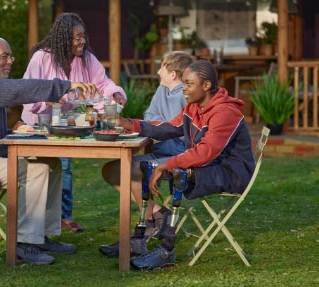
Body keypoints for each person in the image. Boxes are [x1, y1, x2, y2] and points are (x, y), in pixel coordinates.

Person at [0, 35, 96, 265]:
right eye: (4, 57)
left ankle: (40, 236)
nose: (10, 61)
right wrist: (65, 86)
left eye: (11, 56)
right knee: (36, 169)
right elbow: (19, 89)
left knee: (52, 163)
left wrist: (11, 130)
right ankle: (24, 243)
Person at [113, 60, 255, 270]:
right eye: (184, 84)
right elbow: (168, 127)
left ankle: (166, 250)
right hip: (210, 166)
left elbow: (206, 152)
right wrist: (131, 124)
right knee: (137, 165)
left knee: (179, 172)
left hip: (230, 173)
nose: (184, 89)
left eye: (189, 84)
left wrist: (166, 165)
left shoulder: (225, 112)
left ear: (206, 86)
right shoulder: (193, 107)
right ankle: (140, 236)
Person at [22, 12, 127, 232]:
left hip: (65, 122)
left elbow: (103, 84)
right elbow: (29, 89)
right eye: (77, 38)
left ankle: (63, 216)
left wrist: (115, 94)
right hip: (38, 123)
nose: (82, 42)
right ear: (63, 38)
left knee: (65, 165)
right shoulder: (42, 57)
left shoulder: (86, 59)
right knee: (43, 168)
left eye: (82, 36)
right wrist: (50, 98)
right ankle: (39, 219)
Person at [99, 51, 193, 257]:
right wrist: (154, 131)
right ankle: (159, 214)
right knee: (112, 169)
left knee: (131, 168)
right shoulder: (162, 90)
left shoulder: (187, 97)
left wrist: (156, 130)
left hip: (177, 159)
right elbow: (150, 116)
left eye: (162, 67)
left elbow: (180, 131)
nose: (158, 71)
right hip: (157, 153)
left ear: (174, 74)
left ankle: (144, 229)